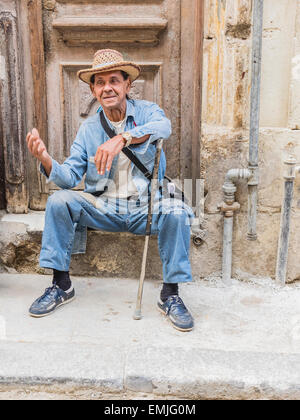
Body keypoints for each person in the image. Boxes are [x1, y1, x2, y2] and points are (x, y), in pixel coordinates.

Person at [26, 49, 195, 332]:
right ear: (93, 89)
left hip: (146, 207)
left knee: (177, 210)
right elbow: (69, 177)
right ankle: (61, 285)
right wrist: (45, 160)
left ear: (128, 85)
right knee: (59, 200)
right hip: (105, 206)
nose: (107, 88)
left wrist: (123, 138)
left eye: (114, 80)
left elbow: (163, 128)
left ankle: (171, 294)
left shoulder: (148, 111)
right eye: (100, 82)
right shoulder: (89, 129)